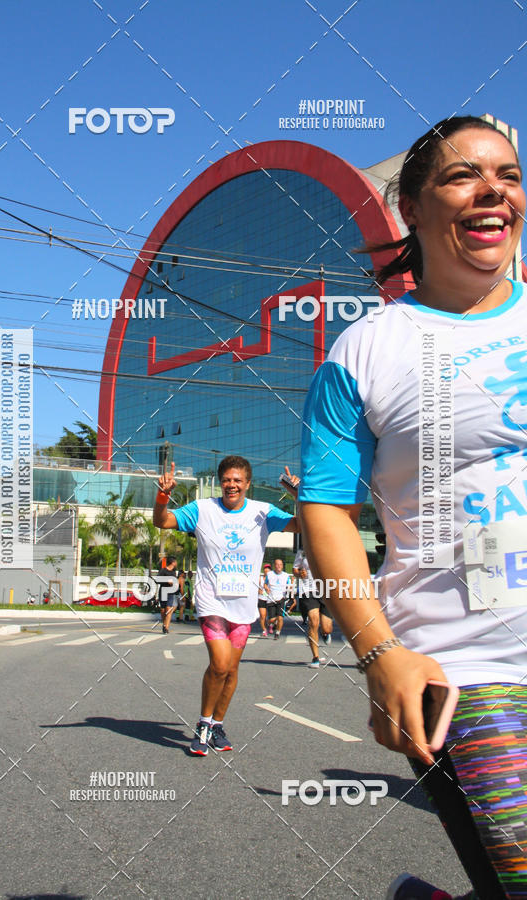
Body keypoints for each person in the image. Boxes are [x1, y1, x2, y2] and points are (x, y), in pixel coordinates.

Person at [299, 116, 527, 900]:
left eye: (509, 173)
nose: (494, 189)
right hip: (465, 669)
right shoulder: (362, 353)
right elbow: (324, 511)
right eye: (464, 175)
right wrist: (378, 654)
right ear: (413, 208)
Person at [154, 456, 299, 756]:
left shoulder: (263, 512)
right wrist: (162, 496)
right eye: (227, 480)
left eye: (238, 480)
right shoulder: (203, 510)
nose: (231, 485)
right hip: (211, 600)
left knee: (231, 670)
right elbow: (162, 521)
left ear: (247, 483)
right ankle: (204, 724)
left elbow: (301, 525)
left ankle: (218, 724)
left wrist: (300, 495)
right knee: (219, 664)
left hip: (243, 604)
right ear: (221, 482)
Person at [293, 546, 333, 667]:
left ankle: (325, 633)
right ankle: (315, 657)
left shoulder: (328, 546)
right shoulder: (302, 550)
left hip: (325, 590)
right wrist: (300, 573)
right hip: (308, 590)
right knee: (313, 621)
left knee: (327, 628)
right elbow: (295, 569)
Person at [264, 558, 291, 639]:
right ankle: (270, 622)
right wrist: (267, 588)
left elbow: (289, 586)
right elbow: (265, 584)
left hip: (281, 599)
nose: (278, 566)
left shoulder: (286, 576)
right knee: (272, 619)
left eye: (280, 564)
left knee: (280, 617)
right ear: (274, 566)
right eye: (277, 564)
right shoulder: (269, 574)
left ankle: (278, 632)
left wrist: (289, 592)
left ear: (282, 566)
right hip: (271, 599)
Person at [156, 556, 180, 634]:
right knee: (163, 610)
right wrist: (167, 581)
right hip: (163, 592)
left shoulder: (174, 572)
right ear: (172, 562)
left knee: (168, 609)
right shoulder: (163, 570)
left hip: (170, 592)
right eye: (175, 562)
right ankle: (164, 624)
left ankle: (166, 627)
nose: (176, 563)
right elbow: (157, 580)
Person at [258, 562, 272, 635]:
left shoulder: (272, 579)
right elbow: (255, 587)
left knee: (271, 617)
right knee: (263, 615)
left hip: (270, 599)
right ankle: (264, 630)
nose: (267, 570)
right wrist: (258, 590)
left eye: (268, 569)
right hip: (261, 598)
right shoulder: (260, 578)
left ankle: (270, 625)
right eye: (265, 569)